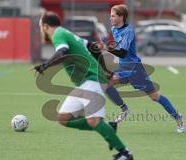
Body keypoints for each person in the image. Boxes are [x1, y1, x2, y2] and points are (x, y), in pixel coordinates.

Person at [31, 11, 134, 160]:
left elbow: (62, 52)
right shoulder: (67, 33)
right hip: (83, 82)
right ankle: (108, 128)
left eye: (41, 27)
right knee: (63, 118)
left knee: (93, 121)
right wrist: (105, 70)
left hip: (91, 79)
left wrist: (44, 66)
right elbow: (95, 48)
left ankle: (125, 153)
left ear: (45, 26)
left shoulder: (58, 34)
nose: (41, 30)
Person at [96, 4, 186, 133]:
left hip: (135, 70)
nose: (110, 18)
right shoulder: (114, 29)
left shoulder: (129, 31)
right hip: (123, 68)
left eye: (113, 15)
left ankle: (178, 118)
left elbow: (123, 53)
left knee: (154, 96)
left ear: (121, 17)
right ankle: (124, 109)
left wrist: (107, 47)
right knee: (105, 83)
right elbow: (117, 46)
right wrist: (106, 43)